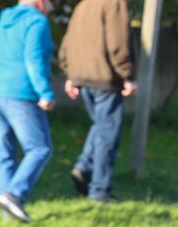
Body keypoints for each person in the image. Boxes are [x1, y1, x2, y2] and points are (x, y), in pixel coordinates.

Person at [0, 0, 57, 224]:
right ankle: (14, 194)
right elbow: (34, 57)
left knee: (4, 156)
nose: (51, 7)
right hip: (21, 93)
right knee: (40, 148)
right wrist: (45, 92)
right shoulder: (36, 21)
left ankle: (10, 217)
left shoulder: (3, 21)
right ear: (40, 2)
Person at [59, 0, 138, 203]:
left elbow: (68, 42)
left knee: (101, 127)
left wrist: (71, 73)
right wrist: (127, 75)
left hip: (83, 77)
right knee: (108, 136)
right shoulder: (114, 3)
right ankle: (99, 190)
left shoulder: (83, 5)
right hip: (105, 78)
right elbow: (118, 41)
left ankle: (84, 167)